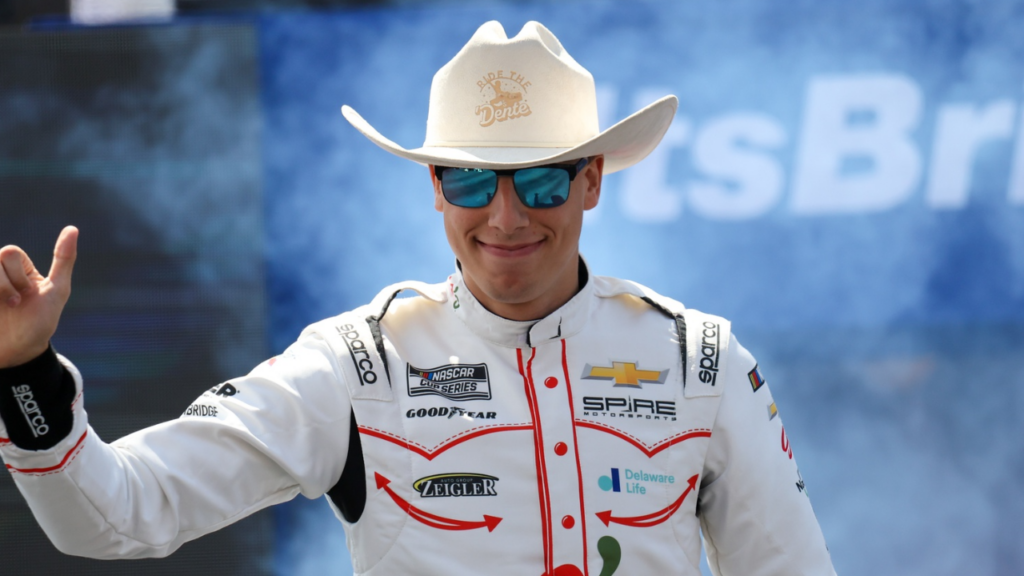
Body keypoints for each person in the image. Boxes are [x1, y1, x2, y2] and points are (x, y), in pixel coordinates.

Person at [0, 21, 835, 576]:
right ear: (434, 187)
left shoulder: (701, 360)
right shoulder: (355, 365)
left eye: (539, 180)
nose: (504, 216)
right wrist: (24, 374)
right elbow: (115, 518)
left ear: (591, 183)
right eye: (471, 179)